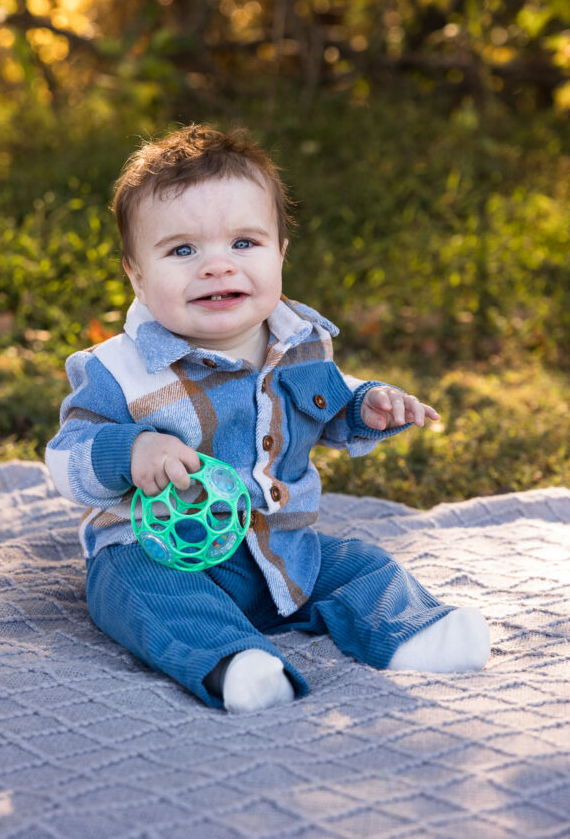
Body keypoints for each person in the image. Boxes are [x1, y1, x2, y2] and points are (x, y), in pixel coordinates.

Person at [46, 124, 490, 713]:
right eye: (182, 250)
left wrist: (368, 405)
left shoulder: (300, 343)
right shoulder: (119, 368)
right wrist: (129, 451)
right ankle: (234, 661)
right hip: (165, 552)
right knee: (140, 593)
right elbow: (65, 456)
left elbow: (328, 398)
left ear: (280, 252)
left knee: (359, 564)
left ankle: (413, 630)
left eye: (244, 244)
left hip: (282, 550)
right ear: (135, 273)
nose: (216, 267)